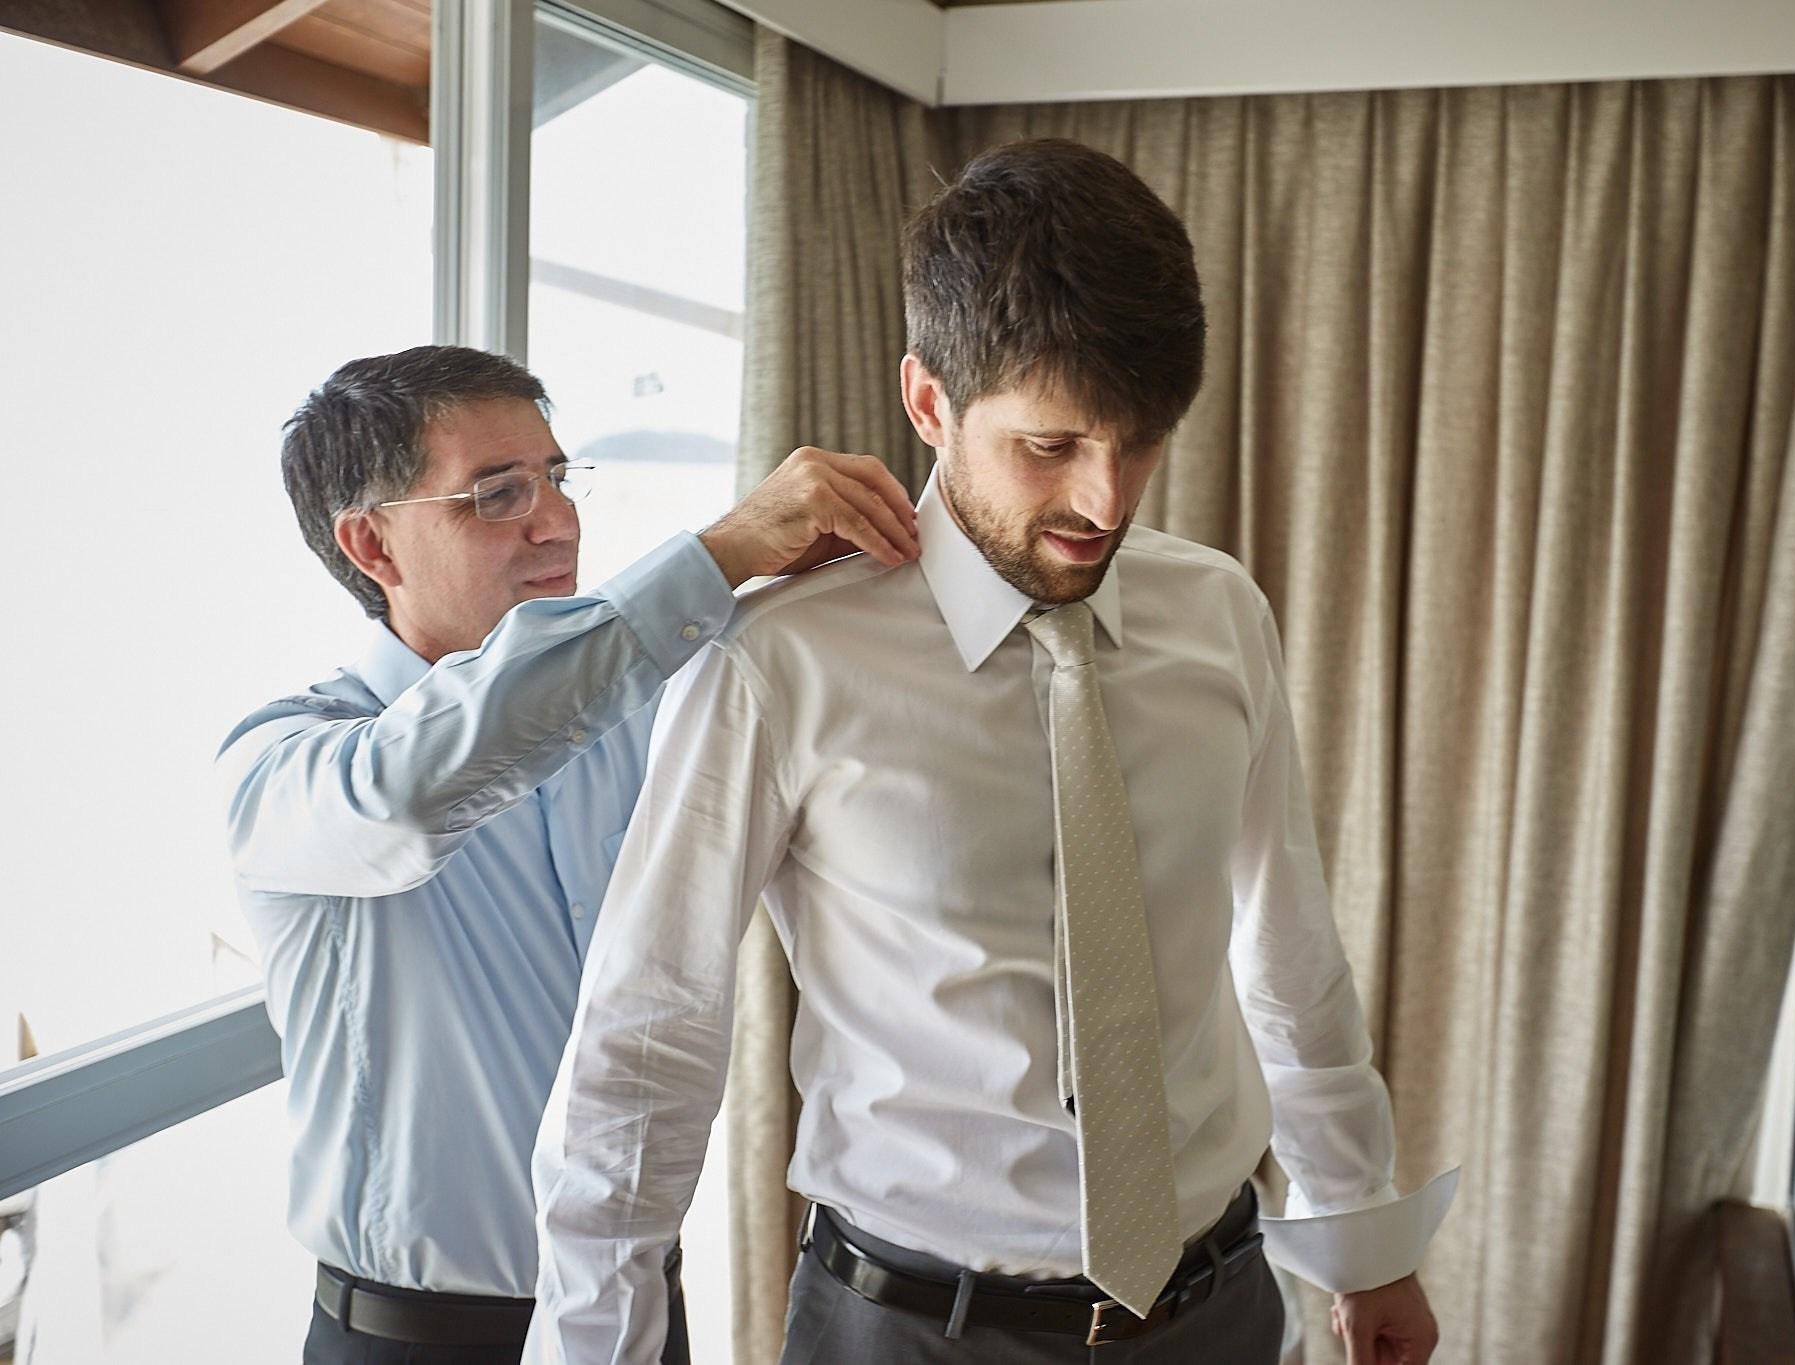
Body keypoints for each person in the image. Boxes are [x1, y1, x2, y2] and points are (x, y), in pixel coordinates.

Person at [528, 139, 1456, 1365]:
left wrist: (1361, 1232)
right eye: (1050, 445)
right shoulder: (779, 660)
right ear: (929, 403)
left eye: (1140, 441)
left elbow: (1285, 946)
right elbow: (647, 1037)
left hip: (1218, 1311)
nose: (1106, 502)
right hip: (909, 1332)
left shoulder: (1219, 613)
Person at [217, 344, 920, 1365]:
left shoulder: (633, 722)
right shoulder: (287, 768)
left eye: (555, 476)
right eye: (496, 494)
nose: (555, 519)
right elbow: (413, 795)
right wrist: (717, 555)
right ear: (371, 544)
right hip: (414, 1342)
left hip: (635, 1313)